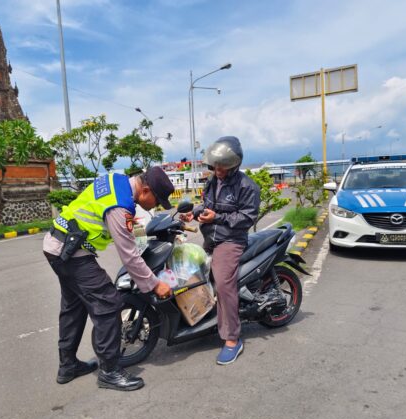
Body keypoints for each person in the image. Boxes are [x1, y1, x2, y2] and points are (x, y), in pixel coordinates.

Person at [43, 167, 174, 391]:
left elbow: (127, 230)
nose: (156, 205)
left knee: (74, 308)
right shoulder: (120, 206)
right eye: (157, 199)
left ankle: (68, 365)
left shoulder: (117, 181)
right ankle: (110, 372)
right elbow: (129, 256)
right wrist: (154, 284)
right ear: (145, 190)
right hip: (71, 253)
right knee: (109, 303)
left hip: (57, 246)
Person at [180, 136, 260, 365]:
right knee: (196, 275)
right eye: (215, 166)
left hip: (231, 241)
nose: (218, 171)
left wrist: (218, 217)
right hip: (211, 239)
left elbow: (246, 218)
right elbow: (207, 206)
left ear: (234, 165)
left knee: (224, 284)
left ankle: (233, 339)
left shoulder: (247, 187)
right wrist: (193, 213)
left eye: (222, 167)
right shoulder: (213, 181)